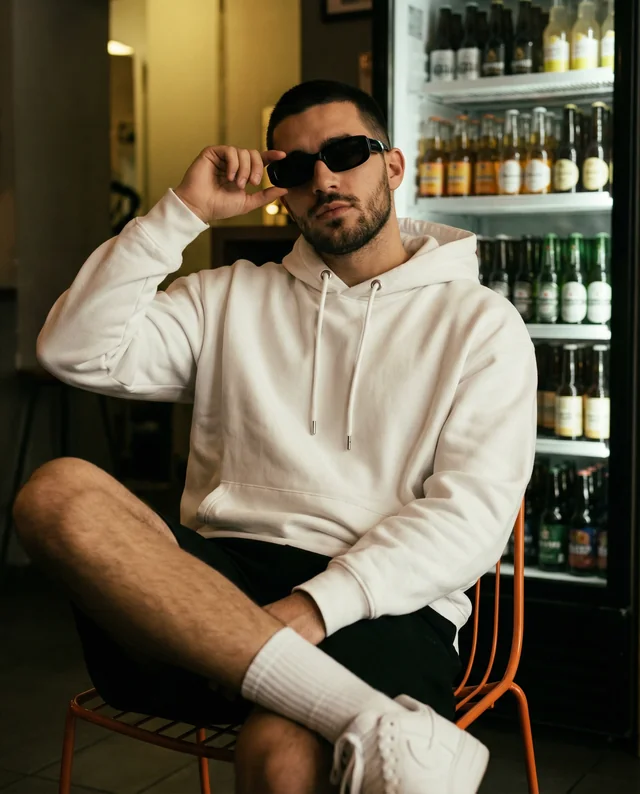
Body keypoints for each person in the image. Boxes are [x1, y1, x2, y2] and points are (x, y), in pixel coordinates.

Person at [14, 80, 537, 794]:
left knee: (283, 754)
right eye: (294, 167)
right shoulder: (227, 295)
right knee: (55, 492)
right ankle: (379, 726)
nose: (323, 178)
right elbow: (71, 349)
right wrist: (184, 212)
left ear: (392, 166)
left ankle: (329, 700)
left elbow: (471, 515)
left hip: (380, 599)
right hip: (205, 592)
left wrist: (318, 606)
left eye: (346, 153)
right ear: (278, 190)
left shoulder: (481, 325)